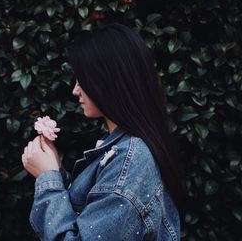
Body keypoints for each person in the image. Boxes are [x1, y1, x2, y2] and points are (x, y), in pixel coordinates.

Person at [21, 23, 185, 240]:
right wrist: (55, 170)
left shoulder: (131, 159)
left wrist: (47, 179)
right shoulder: (122, 150)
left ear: (108, 80)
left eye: (82, 79)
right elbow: (90, 217)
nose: (75, 90)